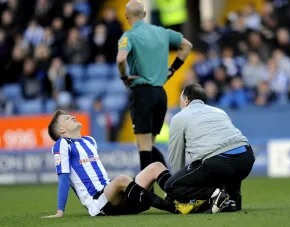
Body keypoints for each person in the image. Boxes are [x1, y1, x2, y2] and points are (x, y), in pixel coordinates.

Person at [41, 110, 194, 218]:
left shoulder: (89, 140)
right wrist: (60, 211)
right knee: (121, 179)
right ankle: (175, 208)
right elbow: (63, 177)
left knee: (156, 166)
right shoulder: (62, 144)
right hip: (98, 202)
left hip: (116, 198)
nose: (72, 116)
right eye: (67, 118)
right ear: (61, 129)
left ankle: (185, 199)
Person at [116, 0, 193, 172]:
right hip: (160, 94)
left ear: (126, 16)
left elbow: (121, 58)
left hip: (142, 93)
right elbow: (187, 46)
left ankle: (146, 191)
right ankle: (169, 185)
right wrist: (172, 70)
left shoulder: (129, 36)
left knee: (144, 146)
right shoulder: (162, 32)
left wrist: (124, 77)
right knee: (149, 145)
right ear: (144, 14)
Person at [164, 83, 255, 213]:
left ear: (186, 100)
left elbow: (176, 155)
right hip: (246, 159)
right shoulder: (220, 111)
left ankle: (214, 194)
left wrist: (177, 185)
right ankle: (233, 200)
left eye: (180, 101)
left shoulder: (179, 117)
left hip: (218, 163)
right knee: (230, 157)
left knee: (171, 186)